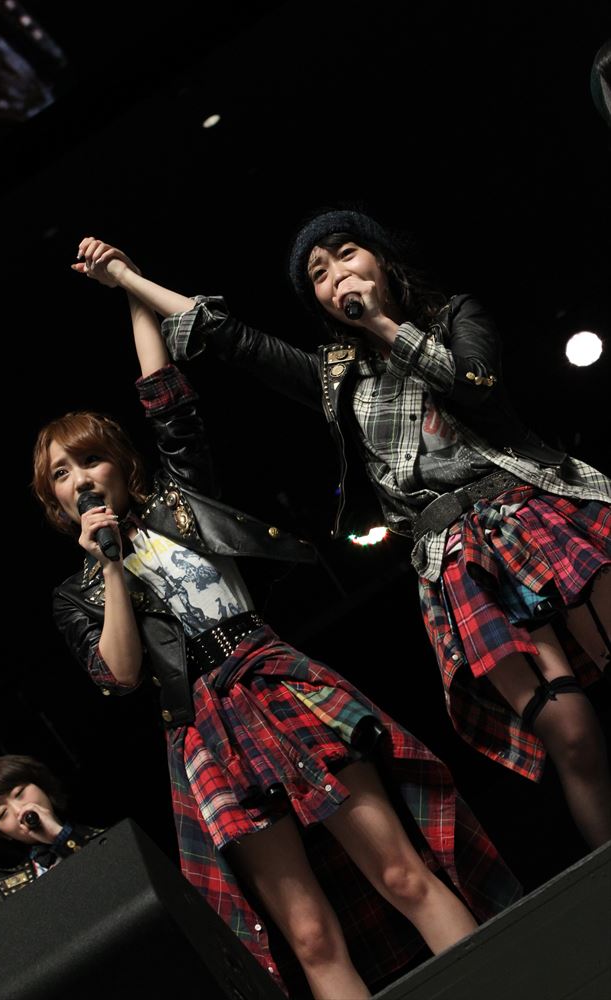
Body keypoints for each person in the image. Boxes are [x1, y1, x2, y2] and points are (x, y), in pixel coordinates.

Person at [31, 237, 521, 1000]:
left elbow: (164, 394)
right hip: (201, 726)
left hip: (273, 676)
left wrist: (125, 284)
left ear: (120, 466)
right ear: (55, 501)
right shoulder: (78, 591)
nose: (80, 479)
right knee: (309, 935)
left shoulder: (178, 501)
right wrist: (109, 566)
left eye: (89, 460)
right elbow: (119, 675)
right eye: (61, 474)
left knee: (399, 871)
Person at [102, 209, 611, 855]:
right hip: (456, 554)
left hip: (533, 510)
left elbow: (474, 386)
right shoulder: (334, 377)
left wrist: (380, 324)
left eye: (345, 255)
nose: (336, 274)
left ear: (381, 260)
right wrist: (126, 277)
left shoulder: (455, 317)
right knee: (571, 736)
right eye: (318, 273)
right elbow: (231, 338)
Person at [0, 754, 102, 924]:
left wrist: (60, 836)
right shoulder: (4, 891)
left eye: (19, 793)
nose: (19, 810)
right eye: (2, 814)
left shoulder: (109, 837)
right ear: (1, 833)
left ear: (40, 785)